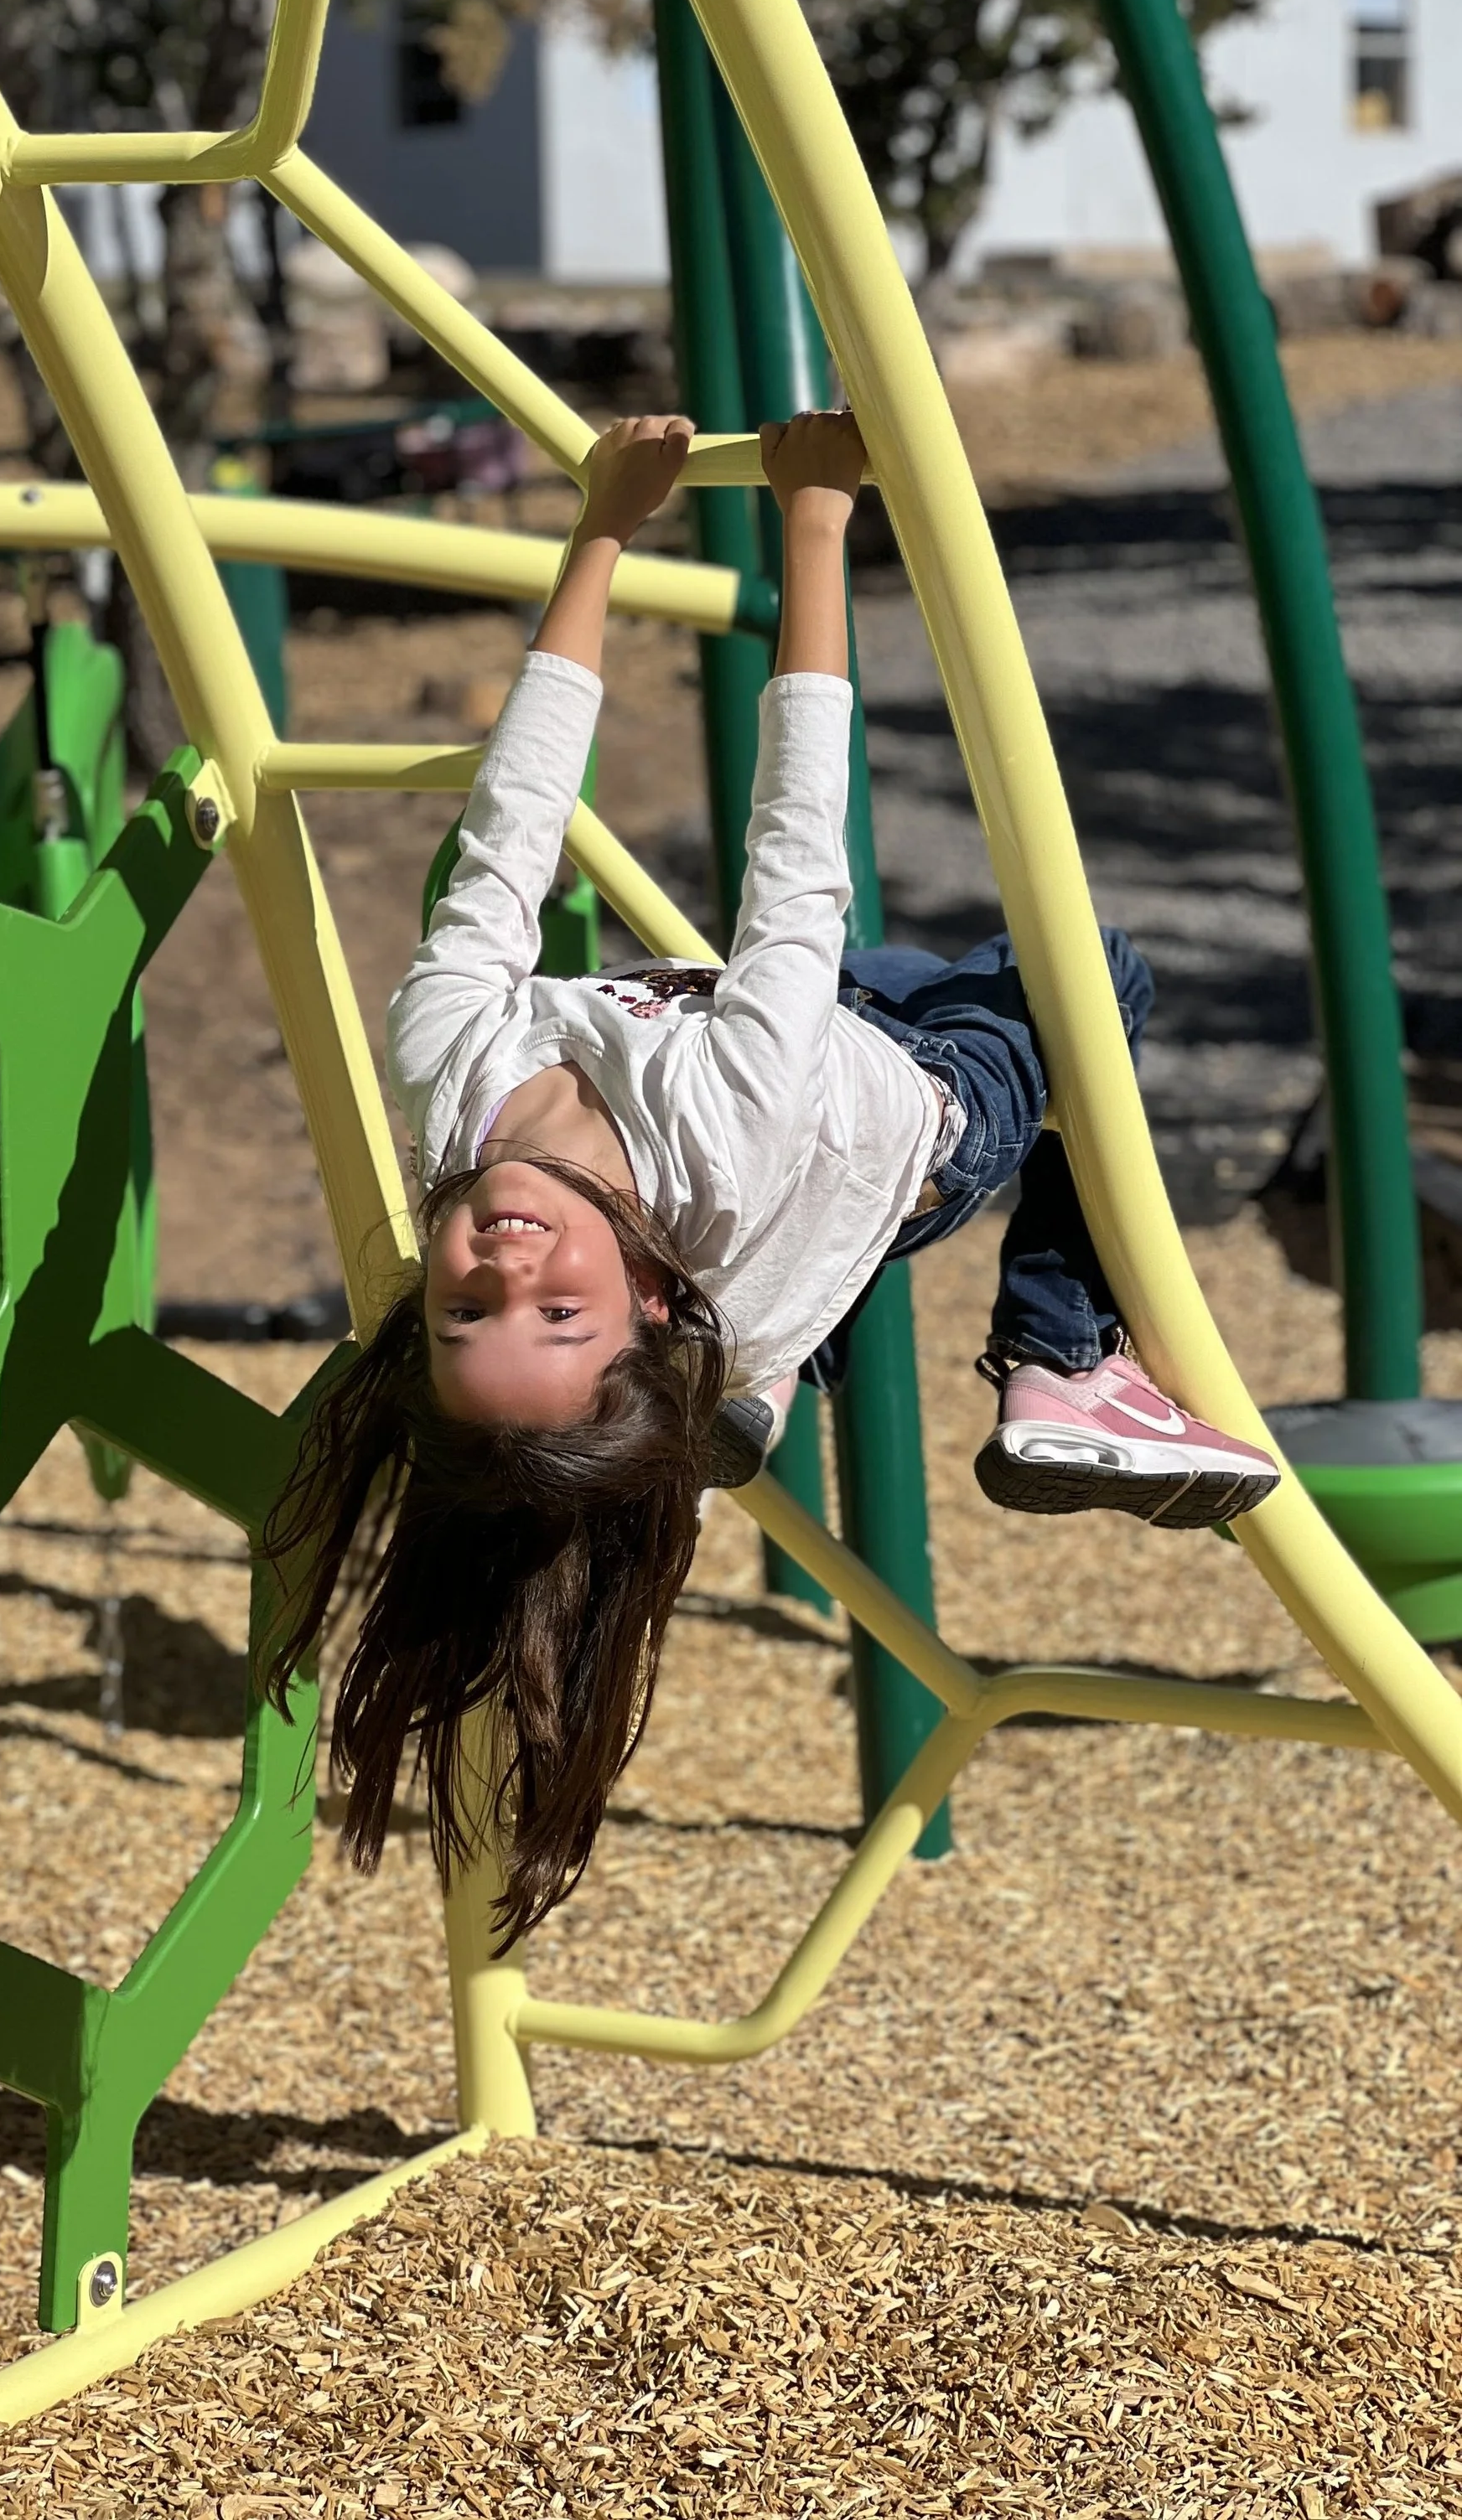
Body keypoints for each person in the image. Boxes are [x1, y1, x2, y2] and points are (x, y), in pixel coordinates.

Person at [262, 410, 1278, 1943]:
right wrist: (815, 521)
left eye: (473, 1319)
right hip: (925, 1114)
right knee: (1092, 978)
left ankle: (759, 1370)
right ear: (650, 1303)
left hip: (804, 1066)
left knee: (836, 1066)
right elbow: (798, 849)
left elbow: (508, 830)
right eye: (558, 1320)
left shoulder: (444, 1077)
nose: (507, 1274)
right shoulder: (714, 1142)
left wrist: (602, 526)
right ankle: (1063, 1361)